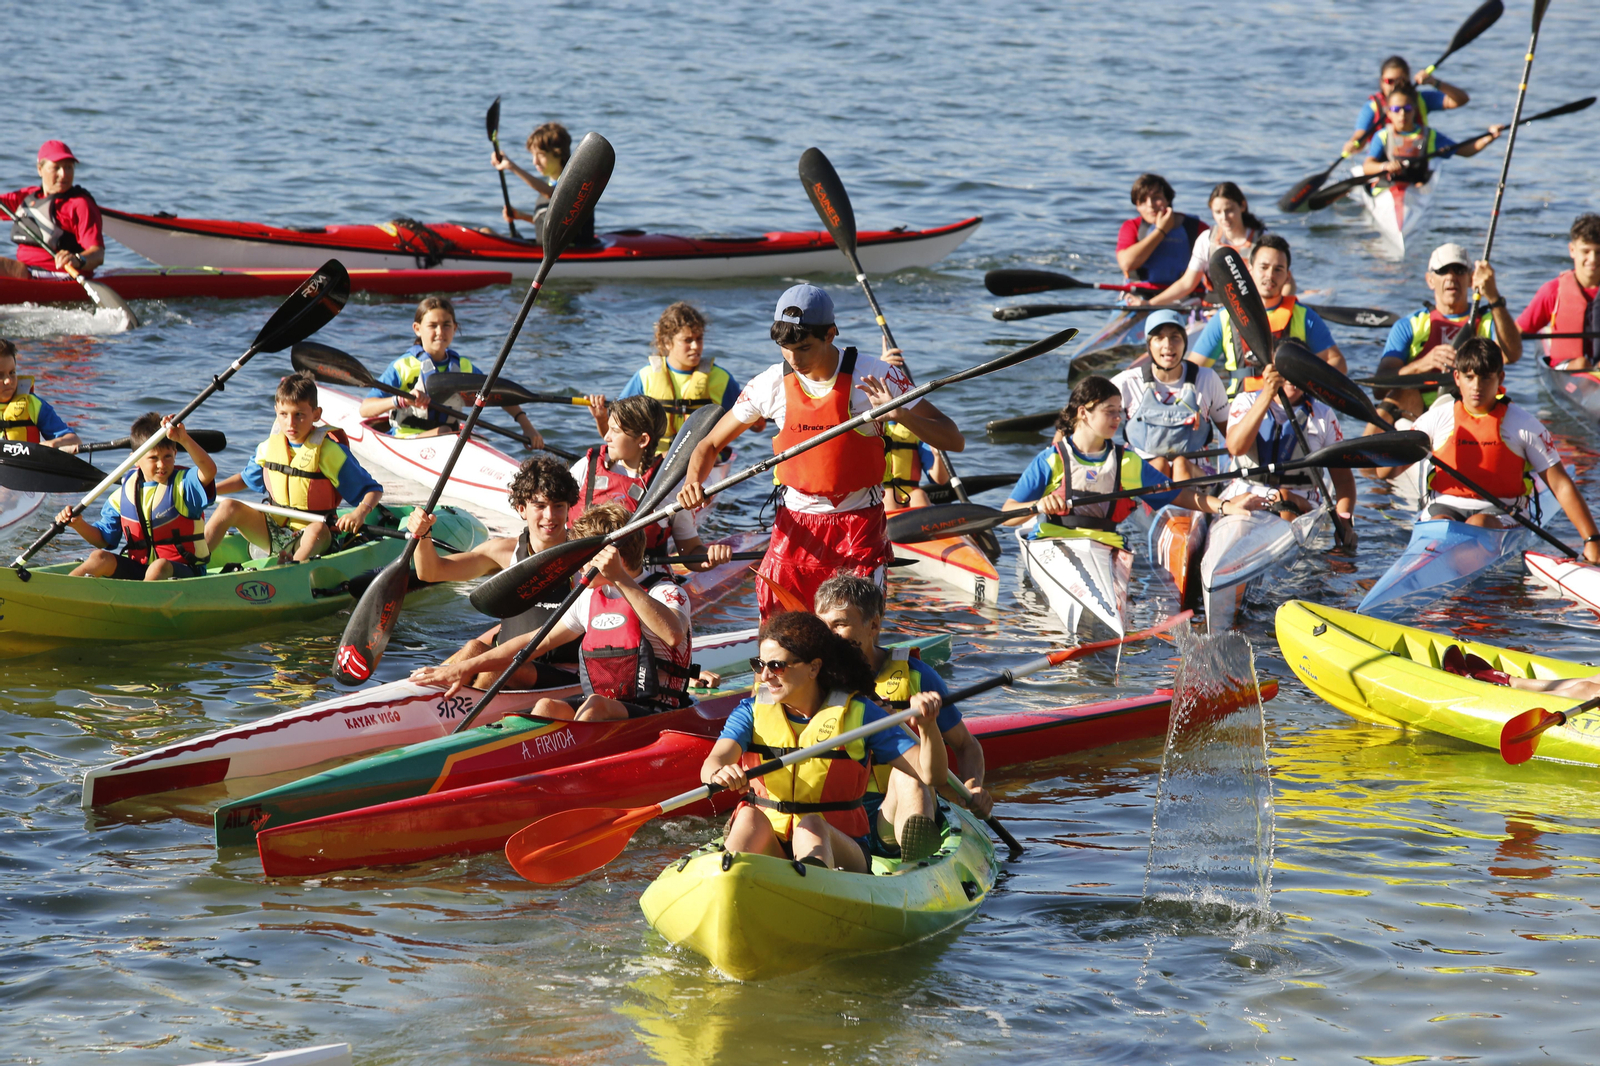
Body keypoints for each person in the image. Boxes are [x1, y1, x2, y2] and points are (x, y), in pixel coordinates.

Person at [676, 284, 963, 617]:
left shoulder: (876, 375)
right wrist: (692, 482)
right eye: (785, 349)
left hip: (859, 529)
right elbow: (709, 444)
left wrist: (900, 413)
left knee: (851, 640)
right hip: (794, 529)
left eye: (804, 348)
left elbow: (953, 439)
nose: (795, 360)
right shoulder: (769, 384)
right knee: (781, 642)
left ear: (830, 334)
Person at [700, 610, 947, 872]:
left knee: (811, 825)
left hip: (842, 850)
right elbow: (712, 764)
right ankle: (731, 875)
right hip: (774, 843)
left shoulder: (860, 714)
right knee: (748, 815)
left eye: (776, 666)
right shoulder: (749, 712)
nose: (764, 677)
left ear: (813, 668)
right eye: (759, 665)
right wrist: (719, 773)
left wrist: (929, 727)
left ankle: (811, 890)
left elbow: (932, 774)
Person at [412, 502, 697, 722]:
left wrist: (621, 578)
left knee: (595, 704)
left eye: (583, 557)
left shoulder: (665, 592)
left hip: (658, 711)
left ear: (613, 557)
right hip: (606, 710)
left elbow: (672, 635)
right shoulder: (589, 599)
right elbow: (532, 642)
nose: (578, 565)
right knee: (546, 707)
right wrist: (462, 668)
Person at [815, 572, 992, 862]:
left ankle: (915, 868)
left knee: (910, 771)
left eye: (840, 624)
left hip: (895, 808)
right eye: (823, 626)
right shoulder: (810, 679)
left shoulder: (917, 677)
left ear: (873, 625)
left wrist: (972, 787)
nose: (828, 636)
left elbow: (966, 745)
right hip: (836, 815)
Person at [1389, 337, 1600, 561]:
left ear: (1500, 378)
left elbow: (1560, 484)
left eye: (1486, 378)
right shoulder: (1434, 420)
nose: (1477, 386)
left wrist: (1592, 540)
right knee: (1442, 524)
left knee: (1478, 524)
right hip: (1443, 509)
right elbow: (1384, 472)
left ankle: (1458, 568)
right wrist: (1382, 457)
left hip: (1501, 510)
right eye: (1469, 377)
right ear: (1457, 378)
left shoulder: (1524, 426)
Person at [1001, 375, 1266, 541]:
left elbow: (1177, 495)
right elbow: (1007, 514)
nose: (1118, 418)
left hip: (1105, 546)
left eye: (1120, 411)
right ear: (1084, 413)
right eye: (1109, 411)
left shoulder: (1126, 461)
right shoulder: (1051, 460)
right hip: (1053, 542)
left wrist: (1225, 506)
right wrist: (1038, 505)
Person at [406, 455, 583, 691]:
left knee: (489, 659)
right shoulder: (504, 551)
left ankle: (461, 711)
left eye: (558, 506)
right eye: (539, 506)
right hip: (502, 664)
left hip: (561, 675)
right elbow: (431, 572)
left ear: (568, 508)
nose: (550, 516)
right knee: (473, 648)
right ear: (522, 509)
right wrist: (423, 535)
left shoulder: (584, 558)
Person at [205, 372, 384, 563]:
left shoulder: (330, 452)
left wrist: (359, 513)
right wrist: (207, 491)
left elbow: (373, 490)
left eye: (299, 415)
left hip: (314, 534)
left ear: (316, 414)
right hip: (272, 532)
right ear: (276, 412)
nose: (290, 423)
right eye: (284, 414)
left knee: (317, 530)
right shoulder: (268, 447)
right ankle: (194, 563)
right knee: (228, 506)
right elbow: (244, 480)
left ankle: (288, 568)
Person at [569, 394, 730, 572]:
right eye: (608, 428)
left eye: (615, 431)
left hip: (639, 582)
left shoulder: (669, 487)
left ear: (643, 440)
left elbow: (690, 550)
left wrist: (709, 558)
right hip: (582, 575)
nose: (606, 437)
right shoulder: (586, 468)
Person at [358, 296, 543, 447]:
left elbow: (497, 394)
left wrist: (527, 427)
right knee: (445, 432)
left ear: (454, 328)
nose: (440, 331)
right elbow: (366, 409)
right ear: (417, 329)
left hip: (450, 436)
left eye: (446, 325)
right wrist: (401, 399)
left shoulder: (464, 367)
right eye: (432, 325)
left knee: (451, 432)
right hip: (407, 439)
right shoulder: (402, 366)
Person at [56, 413, 215, 580]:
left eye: (167, 456)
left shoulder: (185, 485)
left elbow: (209, 471)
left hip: (184, 572)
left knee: (158, 566)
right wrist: (79, 524)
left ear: (175, 452)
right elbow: (104, 540)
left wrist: (184, 439)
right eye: (153, 458)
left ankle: (139, 601)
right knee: (98, 558)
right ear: (136, 460)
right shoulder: (121, 497)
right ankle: (61, 590)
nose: (162, 464)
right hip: (140, 570)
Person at [1222, 353, 1358, 548]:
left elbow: (1343, 480)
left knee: (1283, 497)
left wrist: (1344, 521)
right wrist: (1268, 395)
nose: (1292, 379)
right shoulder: (1245, 401)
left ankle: (1276, 547)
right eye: (1285, 371)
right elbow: (1236, 447)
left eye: (1299, 372)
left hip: (1301, 501)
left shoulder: (1323, 415)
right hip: (1247, 492)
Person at [1376, 242, 1521, 419]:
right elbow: (1379, 388)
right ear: (1430, 280)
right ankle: (1363, 447)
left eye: (1459, 271)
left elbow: (1512, 355)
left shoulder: (1491, 320)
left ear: (1470, 278)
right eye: (1443, 271)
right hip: (1419, 412)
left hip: (1474, 408)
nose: (1451, 277)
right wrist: (1423, 364)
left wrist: (1494, 297)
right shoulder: (1409, 325)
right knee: (1400, 395)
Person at [1190, 235, 1347, 395]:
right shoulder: (1224, 318)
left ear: (1288, 276)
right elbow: (1193, 369)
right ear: (1249, 270)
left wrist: (1302, 377)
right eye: (1263, 267)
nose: (1270, 275)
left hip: (1288, 407)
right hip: (1242, 409)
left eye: (1278, 269)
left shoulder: (1305, 316)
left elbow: (1338, 364)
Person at [596, 302, 747, 453]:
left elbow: (756, 425)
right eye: (688, 340)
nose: (695, 346)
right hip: (656, 459)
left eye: (699, 339)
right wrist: (601, 419)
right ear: (667, 343)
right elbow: (616, 442)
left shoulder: (722, 379)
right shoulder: (645, 378)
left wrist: (757, 420)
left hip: (704, 458)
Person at [1111, 309, 1230, 480]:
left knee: (1180, 464)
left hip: (1194, 474)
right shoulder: (1126, 382)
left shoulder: (1207, 378)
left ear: (1184, 343)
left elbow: (1231, 434)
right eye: (1159, 338)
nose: (1168, 345)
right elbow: (1088, 424)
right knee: (1159, 465)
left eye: (1175, 337)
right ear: (1149, 345)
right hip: (1145, 474)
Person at [1140, 182, 1290, 306]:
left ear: (1242, 206)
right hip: (1214, 310)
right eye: (1218, 212)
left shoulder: (1263, 242)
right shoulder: (1206, 240)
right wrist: (1150, 304)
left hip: (1254, 310)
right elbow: (1187, 284)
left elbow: (1286, 282)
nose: (1224, 217)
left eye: (1229, 210)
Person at [1, 141, 104, 280]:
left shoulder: (80, 204)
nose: (63, 174)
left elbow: (98, 254)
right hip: (28, 270)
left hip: (63, 274)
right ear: (40, 169)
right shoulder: (27, 196)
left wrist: (77, 259)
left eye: (68, 167)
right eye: (56, 168)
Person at [1360, 81, 1503, 182]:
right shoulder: (1383, 136)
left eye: (1407, 109)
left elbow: (1465, 151)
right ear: (1388, 113)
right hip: (1388, 187)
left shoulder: (1429, 136)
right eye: (1396, 110)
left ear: (1414, 110)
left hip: (1417, 186)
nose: (1402, 114)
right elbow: (1367, 167)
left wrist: (1489, 137)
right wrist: (1385, 166)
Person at [1341, 55, 1470, 159]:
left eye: (1400, 80)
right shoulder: (1372, 107)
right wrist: (1352, 145)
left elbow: (1461, 100)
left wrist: (1433, 82)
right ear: (1381, 82)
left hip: (1417, 161)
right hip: (1382, 163)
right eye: (1390, 81)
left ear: (1408, 80)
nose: (1395, 85)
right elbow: (1360, 136)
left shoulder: (1421, 100)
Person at [1517, 213, 1600, 370]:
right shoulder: (1553, 291)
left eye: (1598, 252)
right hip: (1567, 369)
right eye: (1586, 251)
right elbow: (1517, 332)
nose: (1593, 259)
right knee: (1581, 364)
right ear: (1572, 250)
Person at [491, 121, 595, 245]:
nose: (535, 162)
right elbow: (554, 225)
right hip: (545, 251)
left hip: (573, 252)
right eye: (533, 155)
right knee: (484, 232)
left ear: (558, 153)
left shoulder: (573, 183)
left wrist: (512, 167)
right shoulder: (550, 183)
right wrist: (521, 216)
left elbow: (552, 194)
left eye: (541, 155)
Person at [1115, 173, 1208, 290]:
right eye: (1143, 201)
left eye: (1156, 198)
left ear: (1168, 199)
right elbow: (1126, 264)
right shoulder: (1131, 227)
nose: (1150, 205)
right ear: (1137, 206)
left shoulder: (1196, 228)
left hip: (1185, 296)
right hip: (1140, 294)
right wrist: (1161, 231)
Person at [0, 339, 81, 451]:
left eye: (12, 373)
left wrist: (56, 442)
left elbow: (74, 440)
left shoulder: (34, 405)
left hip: (25, 466)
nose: (8, 381)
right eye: (0, 375)